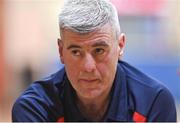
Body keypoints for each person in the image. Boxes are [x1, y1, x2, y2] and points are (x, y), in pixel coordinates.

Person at [12, 0, 177, 122]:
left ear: (120, 46)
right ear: (61, 51)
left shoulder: (153, 102)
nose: (88, 67)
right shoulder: (34, 107)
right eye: (76, 52)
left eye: (99, 50)